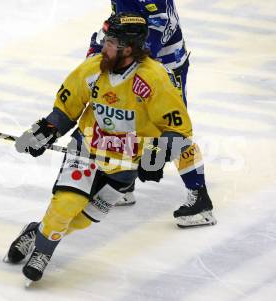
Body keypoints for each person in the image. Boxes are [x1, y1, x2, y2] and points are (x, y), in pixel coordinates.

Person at [4, 12, 214, 283]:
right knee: (66, 204)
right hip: (87, 147)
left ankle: (37, 232)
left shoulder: (154, 79)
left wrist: (157, 154)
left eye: (111, 42)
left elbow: (179, 128)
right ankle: (42, 253)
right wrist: (47, 130)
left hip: (124, 165)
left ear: (129, 49)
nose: (104, 46)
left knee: (84, 218)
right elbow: (67, 107)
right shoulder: (93, 68)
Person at [87, 0, 216, 228]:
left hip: (164, 67)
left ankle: (200, 199)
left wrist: (124, 55)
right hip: (132, 61)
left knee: (173, 128)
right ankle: (124, 182)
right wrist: (103, 47)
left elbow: (162, 26)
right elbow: (120, 17)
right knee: (125, 119)